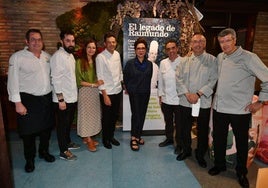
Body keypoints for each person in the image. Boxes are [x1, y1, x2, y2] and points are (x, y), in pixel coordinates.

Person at [208, 28, 268, 188]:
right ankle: (219, 165)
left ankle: (241, 172)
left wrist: (260, 101)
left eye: (228, 40)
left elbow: (267, 79)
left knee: (242, 142)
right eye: (221, 42)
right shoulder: (220, 57)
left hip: (239, 110)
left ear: (235, 40)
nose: (225, 45)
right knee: (219, 138)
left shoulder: (249, 58)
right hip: (220, 108)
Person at [7, 29, 55, 173]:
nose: (36, 42)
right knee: (28, 134)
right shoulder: (17, 58)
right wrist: (17, 102)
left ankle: (44, 152)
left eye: (39, 39)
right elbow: (12, 81)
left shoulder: (47, 57)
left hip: (46, 99)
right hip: (27, 100)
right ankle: (30, 159)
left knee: (46, 130)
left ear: (43, 41)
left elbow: (52, 78)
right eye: (33, 39)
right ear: (26, 41)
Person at [175, 33, 218, 168]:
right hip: (185, 100)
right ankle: (186, 150)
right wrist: (187, 94)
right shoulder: (184, 61)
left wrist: (198, 94)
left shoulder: (212, 60)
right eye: (195, 41)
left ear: (204, 44)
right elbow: (178, 78)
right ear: (191, 44)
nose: (198, 44)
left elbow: (213, 80)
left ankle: (200, 154)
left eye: (200, 41)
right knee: (184, 128)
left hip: (203, 101)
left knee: (202, 130)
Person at [50, 30, 80, 161]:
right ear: (62, 41)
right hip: (62, 99)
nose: (71, 43)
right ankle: (63, 151)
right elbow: (55, 79)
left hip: (72, 97)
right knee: (62, 126)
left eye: (73, 41)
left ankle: (67, 142)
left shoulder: (70, 56)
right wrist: (61, 100)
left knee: (67, 124)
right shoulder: (58, 56)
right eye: (68, 41)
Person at [123, 37, 153, 151]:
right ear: (135, 50)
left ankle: (139, 135)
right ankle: (133, 137)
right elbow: (126, 78)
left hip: (145, 93)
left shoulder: (149, 64)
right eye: (138, 48)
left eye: (143, 48)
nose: (141, 50)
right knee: (136, 115)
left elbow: (149, 78)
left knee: (142, 114)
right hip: (134, 94)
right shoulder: (130, 64)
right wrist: (130, 89)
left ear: (146, 50)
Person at [96, 32, 123, 149]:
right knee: (107, 118)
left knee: (114, 117)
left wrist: (123, 84)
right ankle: (105, 139)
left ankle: (111, 136)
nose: (112, 44)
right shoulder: (100, 57)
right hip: (107, 93)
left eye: (113, 42)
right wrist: (105, 95)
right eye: (109, 42)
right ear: (105, 44)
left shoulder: (117, 54)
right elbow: (100, 77)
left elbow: (120, 71)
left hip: (117, 90)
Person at [75, 38, 102, 152]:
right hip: (85, 91)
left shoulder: (96, 61)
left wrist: (96, 85)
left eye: (94, 47)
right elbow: (78, 81)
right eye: (89, 47)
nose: (91, 50)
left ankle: (88, 137)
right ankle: (89, 140)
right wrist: (93, 85)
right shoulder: (79, 62)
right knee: (85, 115)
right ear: (85, 48)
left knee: (93, 115)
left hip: (95, 92)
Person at [158, 39, 181, 152]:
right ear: (166, 51)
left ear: (177, 48)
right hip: (166, 100)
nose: (171, 51)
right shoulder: (163, 63)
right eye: (168, 49)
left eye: (173, 48)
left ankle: (179, 144)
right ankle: (169, 139)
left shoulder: (184, 61)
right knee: (168, 122)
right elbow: (160, 81)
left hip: (179, 100)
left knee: (179, 124)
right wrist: (160, 96)